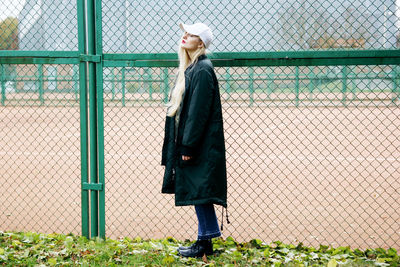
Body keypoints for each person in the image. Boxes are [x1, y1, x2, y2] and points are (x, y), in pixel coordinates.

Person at [161, 22, 228, 258]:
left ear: (201, 43)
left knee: (199, 190)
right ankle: (205, 239)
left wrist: (188, 145)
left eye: (191, 35)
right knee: (199, 190)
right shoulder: (194, 67)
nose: (185, 36)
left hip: (198, 145)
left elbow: (198, 113)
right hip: (196, 143)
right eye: (185, 33)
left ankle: (204, 243)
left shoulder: (201, 69)